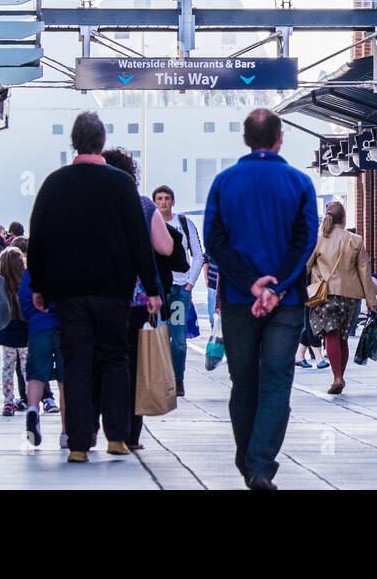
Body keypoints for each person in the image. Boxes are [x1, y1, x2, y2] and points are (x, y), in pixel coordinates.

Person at [26, 112, 162, 463]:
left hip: (69, 292)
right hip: (114, 290)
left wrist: (38, 286)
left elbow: (38, 236)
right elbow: (138, 241)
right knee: (116, 359)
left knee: (76, 363)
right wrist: (152, 288)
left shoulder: (55, 183)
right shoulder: (121, 185)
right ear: (102, 142)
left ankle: (79, 443)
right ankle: (117, 438)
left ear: (74, 142)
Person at [204, 108, 318, 490]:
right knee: (276, 380)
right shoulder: (299, 183)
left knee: (244, 381)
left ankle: (248, 460)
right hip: (286, 303)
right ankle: (259, 465)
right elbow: (305, 240)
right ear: (279, 137)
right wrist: (278, 286)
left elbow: (214, 240)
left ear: (245, 139)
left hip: (238, 300)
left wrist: (253, 285)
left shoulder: (223, 182)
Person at [103, 148, 176, 450]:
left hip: (99, 293)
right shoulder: (144, 205)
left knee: (101, 361)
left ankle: (95, 426)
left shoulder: (95, 203)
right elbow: (165, 248)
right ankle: (130, 434)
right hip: (137, 298)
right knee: (133, 363)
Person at [303, 201, 377, 395]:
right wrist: (371, 300)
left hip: (324, 293)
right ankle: (339, 376)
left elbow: (306, 265)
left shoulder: (317, 239)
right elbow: (364, 272)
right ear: (344, 219)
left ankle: (338, 377)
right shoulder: (355, 240)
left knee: (331, 334)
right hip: (350, 296)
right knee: (342, 336)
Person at [152, 184, 207, 396]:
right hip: (159, 289)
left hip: (178, 289)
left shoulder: (184, 223)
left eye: (167, 198)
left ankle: (178, 379)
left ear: (172, 201)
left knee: (179, 341)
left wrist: (189, 283)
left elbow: (198, 255)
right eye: (159, 198)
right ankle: (164, 380)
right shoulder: (150, 225)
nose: (163, 202)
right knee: (160, 336)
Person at [19, 263, 67, 449]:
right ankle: (66, 432)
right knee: (65, 380)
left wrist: (32, 316)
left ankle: (32, 409)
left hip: (39, 327)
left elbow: (24, 298)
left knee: (36, 375)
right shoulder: (66, 264)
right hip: (65, 326)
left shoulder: (33, 270)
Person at [0, 246, 30, 416]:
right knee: (26, 368)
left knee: (7, 368)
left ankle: (8, 402)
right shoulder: (26, 282)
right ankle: (31, 399)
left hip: (7, 332)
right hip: (24, 332)